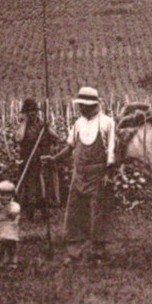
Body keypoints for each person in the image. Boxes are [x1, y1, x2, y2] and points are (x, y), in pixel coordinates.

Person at [42, 86, 117, 265]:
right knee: (75, 211)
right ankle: (75, 252)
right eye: (81, 105)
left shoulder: (107, 123)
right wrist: (54, 159)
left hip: (99, 174)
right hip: (80, 173)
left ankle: (99, 253)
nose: (81, 108)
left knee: (99, 212)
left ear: (93, 105)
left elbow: (112, 152)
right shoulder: (78, 124)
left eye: (84, 105)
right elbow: (70, 147)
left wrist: (109, 173)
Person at [15, 98, 62, 221]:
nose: (33, 113)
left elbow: (56, 137)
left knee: (44, 186)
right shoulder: (23, 125)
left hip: (42, 159)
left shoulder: (42, 125)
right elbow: (19, 138)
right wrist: (24, 123)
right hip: (28, 160)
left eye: (34, 111)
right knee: (30, 187)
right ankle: (30, 214)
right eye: (29, 111)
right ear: (25, 113)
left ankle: (45, 214)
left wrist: (47, 127)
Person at [0, 180, 21, 268]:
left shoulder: (14, 206)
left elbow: (15, 215)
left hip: (10, 227)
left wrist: (11, 212)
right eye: (1, 195)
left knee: (12, 245)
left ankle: (13, 261)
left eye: (8, 195)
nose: (4, 197)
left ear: (12, 196)